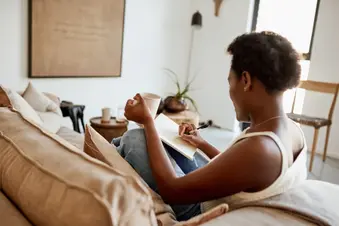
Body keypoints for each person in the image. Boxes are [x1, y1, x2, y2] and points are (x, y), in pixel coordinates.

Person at [112, 31, 307, 221]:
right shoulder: (289, 129)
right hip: (222, 193)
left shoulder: (262, 149)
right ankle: (117, 148)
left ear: (245, 80)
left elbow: (172, 190)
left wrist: (148, 121)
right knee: (169, 143)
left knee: (135, 138)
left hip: (199, 209)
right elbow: (241, 169)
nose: (230, 90)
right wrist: (202, 143)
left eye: (230, 81)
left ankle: (111, 151)